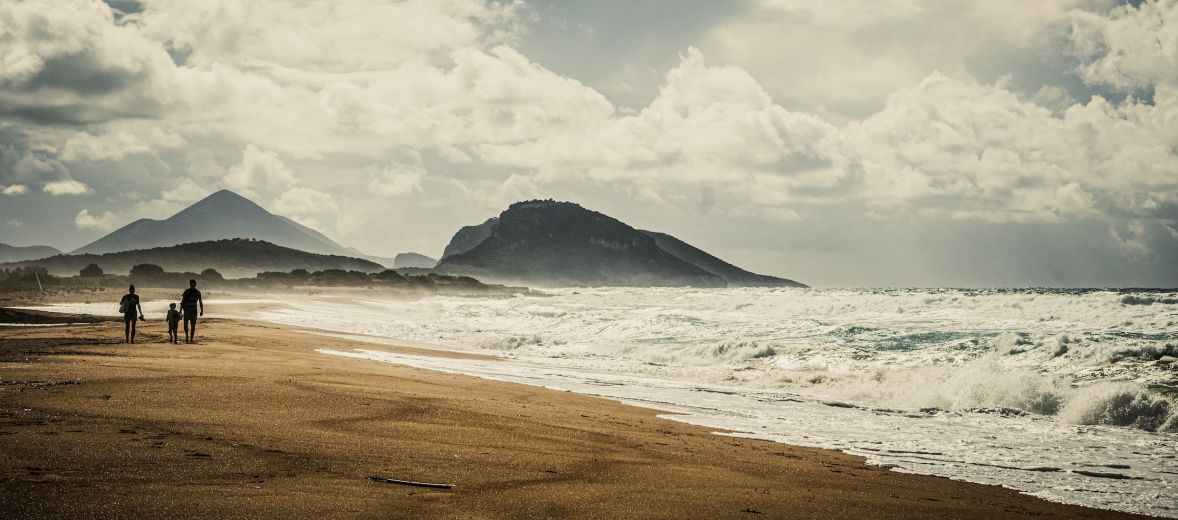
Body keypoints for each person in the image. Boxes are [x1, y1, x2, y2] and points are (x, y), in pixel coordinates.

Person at [181, 279, 203, 344]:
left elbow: (200, 302)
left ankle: (191, 338)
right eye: (191, 284)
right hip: (186, 311)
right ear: (189, 284)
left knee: (193, 325)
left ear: (195, 285)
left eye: (193, 284)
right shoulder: (186, 291)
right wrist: (180, 310)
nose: (192, 285)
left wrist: (202, 311)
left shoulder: (198, 292)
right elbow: (183, 301)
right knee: (185, 325)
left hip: (194, 311)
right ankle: (187, 336)